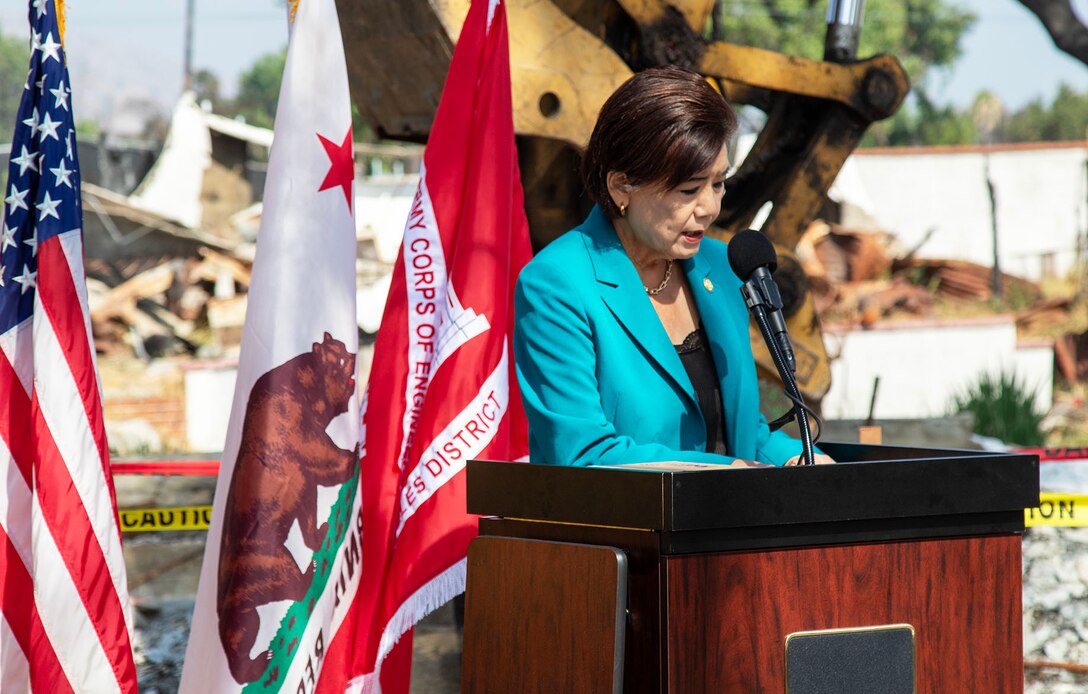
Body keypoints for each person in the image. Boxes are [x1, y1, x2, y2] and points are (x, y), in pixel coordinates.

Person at [513, 65, 831, 468]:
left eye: (718, 183)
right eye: (689, 190)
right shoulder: (557, 284)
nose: (710, 208)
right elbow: (583, 455)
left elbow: (744, 434)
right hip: (623, 527)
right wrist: (728, 474)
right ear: (621, 186)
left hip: (732, 521)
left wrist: (803, 460)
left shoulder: (720, 265)